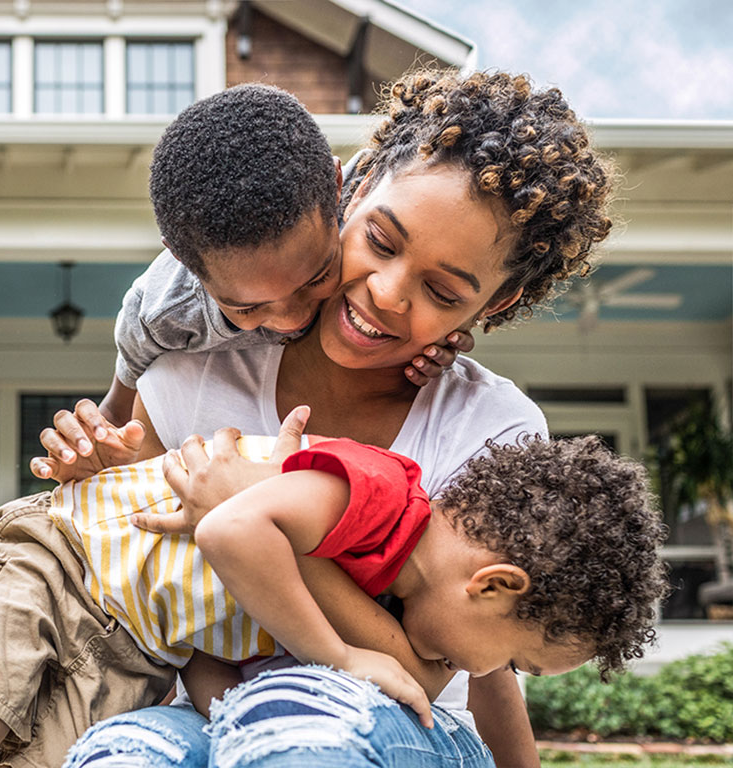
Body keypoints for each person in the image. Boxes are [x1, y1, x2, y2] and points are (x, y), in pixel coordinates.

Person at [35, 68, 618, 768]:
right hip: (209, 717)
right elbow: (132, 584)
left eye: (440, 290)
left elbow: (468, 665)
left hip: (395, 727)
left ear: (491, 305)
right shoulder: (190, 375)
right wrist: (96, 472)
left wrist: (260, 516)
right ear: (355, 186)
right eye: (380, 241)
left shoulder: (488, 428)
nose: (386, 294)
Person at [0, 429, 666, 768]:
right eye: (519, 658)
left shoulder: (374, 603)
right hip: (70, 552)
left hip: (135, 641)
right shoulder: (380, 496)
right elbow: (229, 529)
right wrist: (344, 656)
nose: (493, 671)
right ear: (495, 585)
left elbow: (210, 648)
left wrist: (224, 704)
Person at [65, 82, 470, 436]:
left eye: (317, 277)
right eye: (249, 307)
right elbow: (116, 421)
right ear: (187, 265)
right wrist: (94, 447)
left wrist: (444, 328)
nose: (292, 319)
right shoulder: (161, 315)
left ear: (339, 190)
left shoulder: (376, 199)